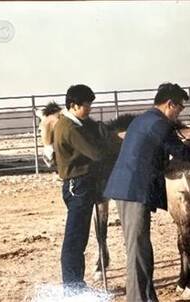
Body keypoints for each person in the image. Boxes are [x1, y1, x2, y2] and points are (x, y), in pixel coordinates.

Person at [103, 82, 190, 302]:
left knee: (139, 247)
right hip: (134, 189)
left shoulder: (143, 119)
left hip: (127, 188)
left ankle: (145, 297)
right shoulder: (159, 124)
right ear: (169, 104)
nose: (179, 113)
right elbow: (181, 152)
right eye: (180, 108)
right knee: (138, 248)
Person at [53, 84, 107, 292]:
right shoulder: (71, 128)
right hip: (79, 185)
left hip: (77, 184)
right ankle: (73, 286)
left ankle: (74, 283)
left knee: (78, 236)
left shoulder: (68, 123)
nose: (90, 109)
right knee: (75, 238)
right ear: (74, 105)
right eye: (87, 105)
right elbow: (96, 154)